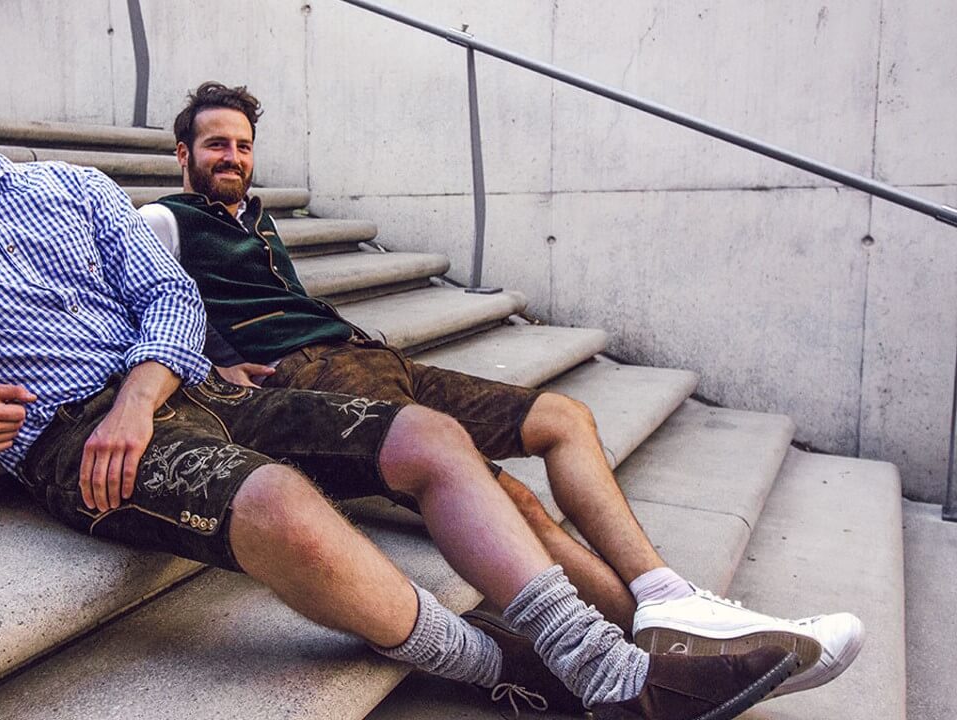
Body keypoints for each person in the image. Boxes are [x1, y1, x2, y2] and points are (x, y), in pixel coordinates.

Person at [0, 21, 800, 720]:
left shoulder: (72, 189)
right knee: (282, 503)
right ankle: (504, 669)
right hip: (74, 442)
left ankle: (599, 663)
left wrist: (142, 391)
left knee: (427, 437)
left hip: (175, 388)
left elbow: (167, 297)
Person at [139, 81, 864, 701]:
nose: (231, 157)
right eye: (214, 146)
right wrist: (208, 366)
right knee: (507, 500)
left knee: (563, 417)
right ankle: (668, 662)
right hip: (310, 378)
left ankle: (668, 599)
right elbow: (142, 305)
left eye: (240, 145)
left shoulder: (256, 216)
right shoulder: (165, 219)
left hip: (368, 355)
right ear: (183, 155)